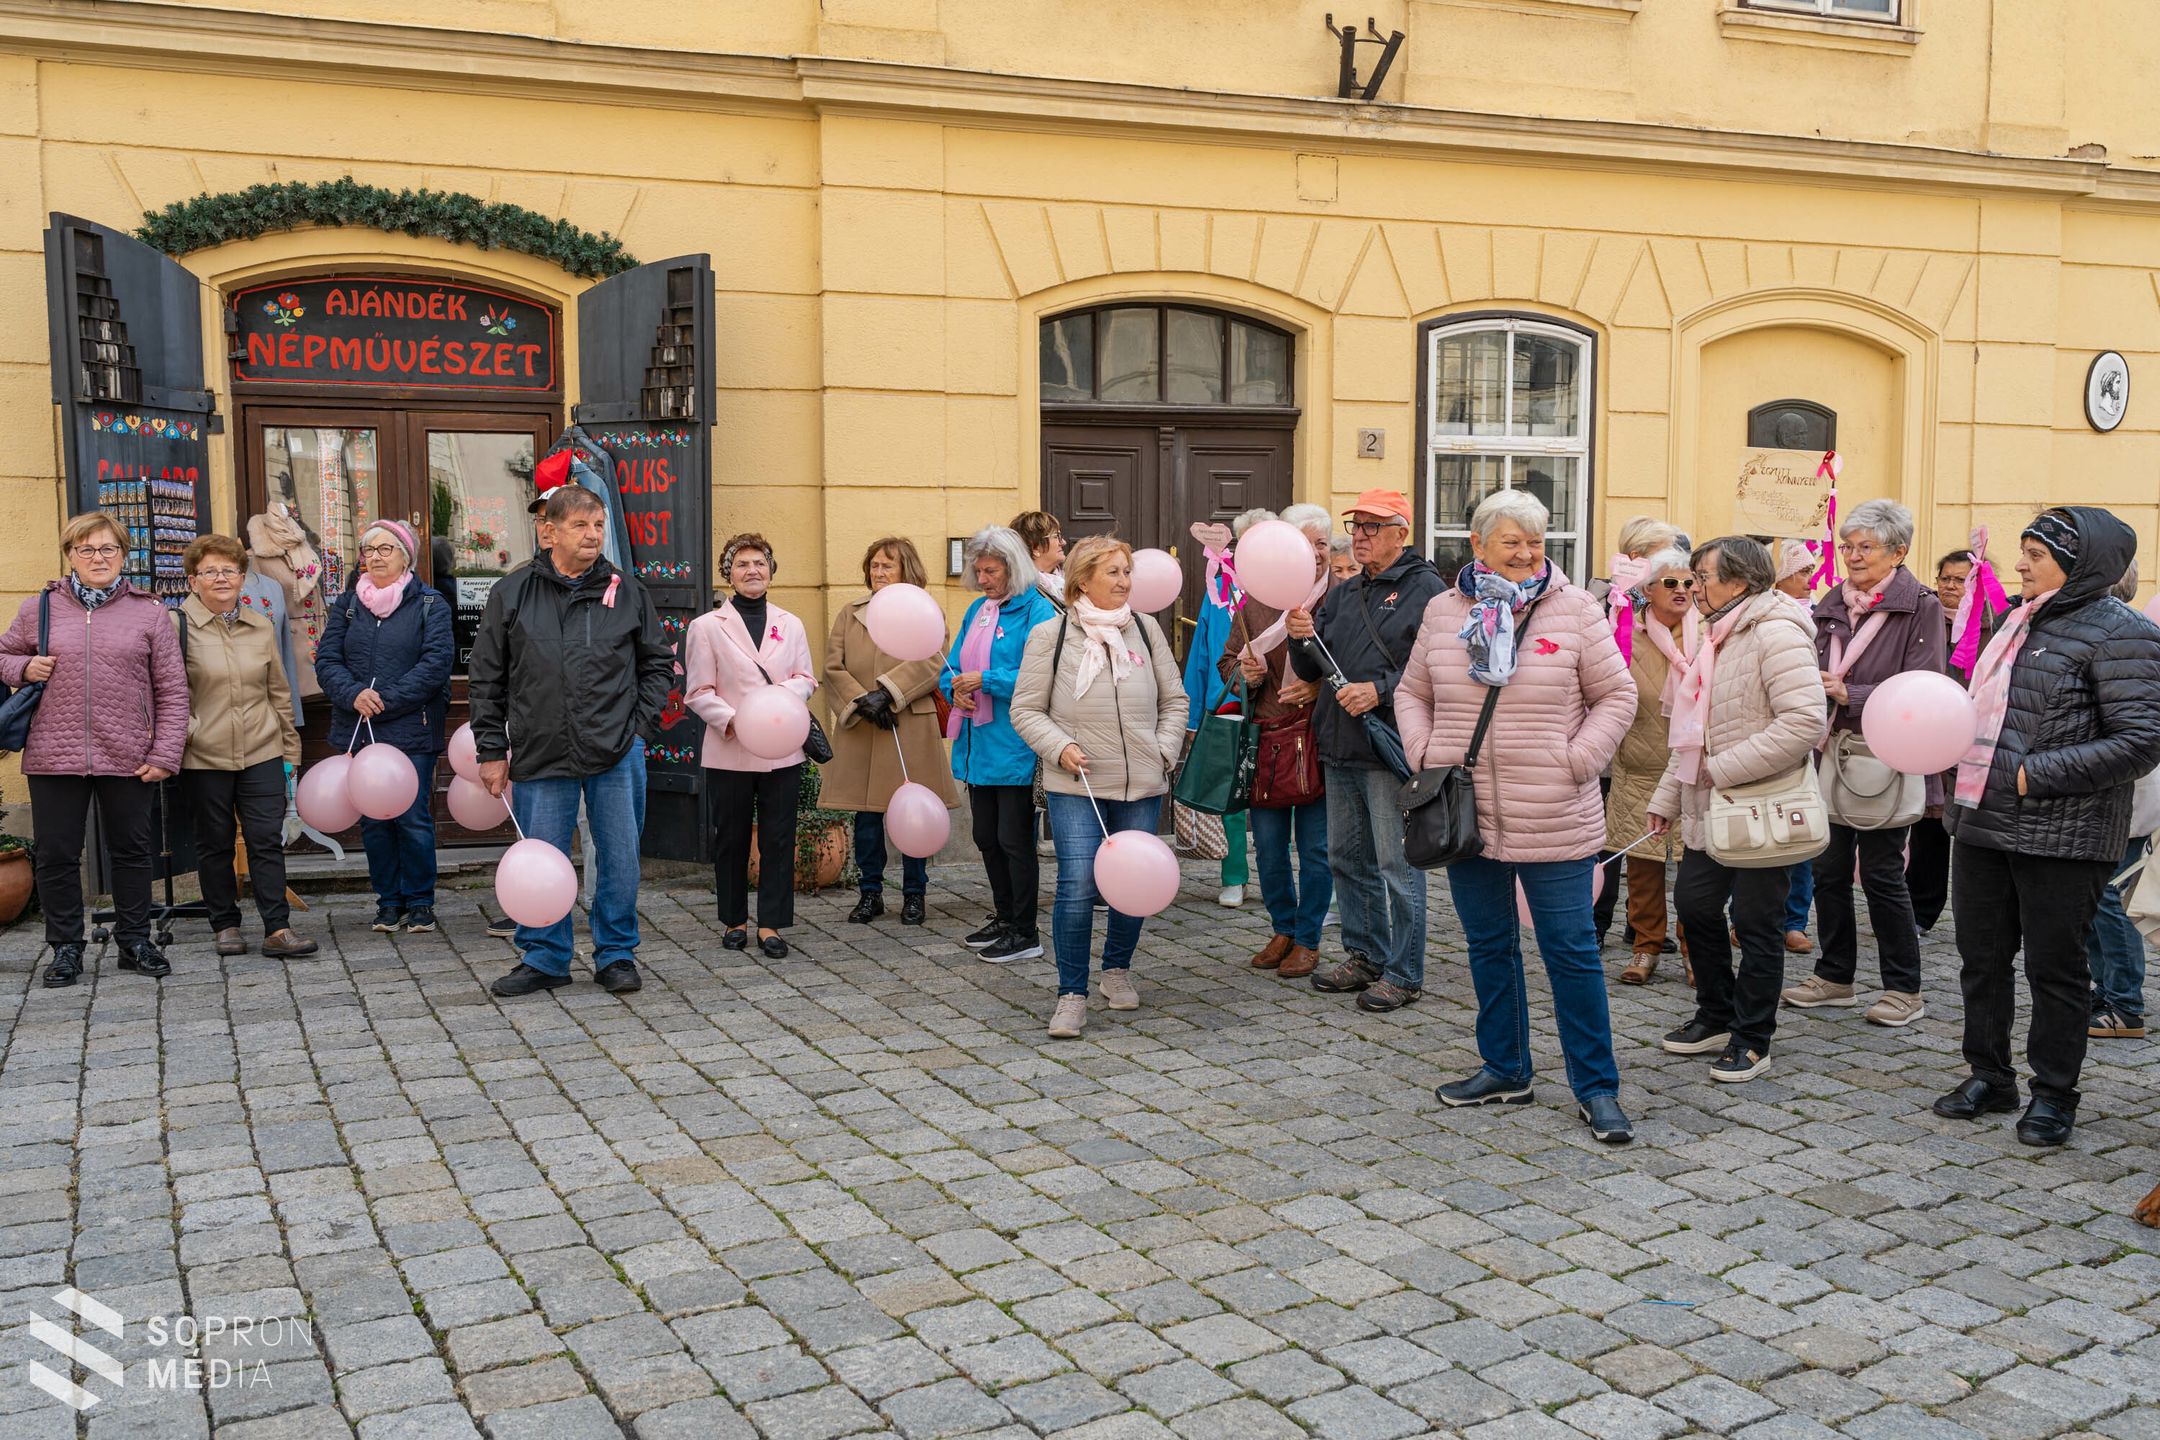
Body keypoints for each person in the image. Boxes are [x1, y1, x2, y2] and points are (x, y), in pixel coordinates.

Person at [1397, 490, 1637, 1142]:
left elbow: (1617, 693)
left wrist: (1578, 760)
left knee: (1572, 952)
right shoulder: (1445, 613)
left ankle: (1597, 1087)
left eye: (1536, 542)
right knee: (1489, 947)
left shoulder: (1576, 610)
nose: (1529, 553)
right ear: (1478, 547)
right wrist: (1424, 753)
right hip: (1463, 814)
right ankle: (1506, 1068)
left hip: (1555, 813)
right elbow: (1411, 692)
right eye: (1513, 542)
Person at [1933, 507, 2160, 1147]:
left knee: (2055, 970)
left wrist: (2036, 775)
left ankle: (2054, 1093)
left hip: (2064, 832)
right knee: (1981, 959)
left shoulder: (2125, 633)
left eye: (2037, 552)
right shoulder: (2016, 621)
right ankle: (1990, 1074)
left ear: (2080, 562)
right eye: (2023, 550)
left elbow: (2142, 739)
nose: (2022, 562)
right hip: (1982, 820)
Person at [469, 486, 673, 997]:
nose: (593, 535)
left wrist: (637, 730)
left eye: (598, 525)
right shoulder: (511, 593)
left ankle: (617, 954)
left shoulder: (627, 591)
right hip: (541, 750)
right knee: (542, 858)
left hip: (615, 751)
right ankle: (545, 956)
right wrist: (492, 751)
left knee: (620, 856)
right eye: (581, 525)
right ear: (549, 531)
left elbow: (658, 664)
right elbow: (487, 678)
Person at [1647, 537, 1827, 1084]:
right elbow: (1693, 733)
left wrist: (1722, 770)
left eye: (1701, 577)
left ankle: (1754, 1036)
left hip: (1761, 807)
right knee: (1696, 907)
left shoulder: (1775, 633)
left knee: (1756, 923)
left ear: (1741, 583)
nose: (1692, 588)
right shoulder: (1712, 634)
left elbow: (1803, 724)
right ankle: (1717, 1014)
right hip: (1709, 805)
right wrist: (1666, 799)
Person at [0, 513, 188, 986]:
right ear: (70, 556)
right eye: (86, 550)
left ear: (124, 555)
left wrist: (165, 753)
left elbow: (172, 688)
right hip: (53, 751)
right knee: (57, 853)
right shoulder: (38, 608)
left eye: (108, 549)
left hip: (128, 750)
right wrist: (24, 668)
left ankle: (134, 941)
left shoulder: (149, 612)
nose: (98, 558)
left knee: (131, 850)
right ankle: (65, 947)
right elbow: (2, 656)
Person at [1011, 536, 1186, 1039]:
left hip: (1141, 784)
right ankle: (1071, 994)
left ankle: (1116, 970)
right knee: (1078, 886)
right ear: (1082, 579)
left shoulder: (1147, 630)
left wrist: (1164, 750)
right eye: (1113, 572)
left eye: (1127, 571)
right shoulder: (1052, 635)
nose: (1125, 581)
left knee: (1132, 888)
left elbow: (1174, 701)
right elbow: (1025, 709)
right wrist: (1059, 746)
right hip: (1077, 784)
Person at [1782, 500, 1945, 1029]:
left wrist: (1851, 691)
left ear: (1898, 551)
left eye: (1864, 547)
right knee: (1827, 869)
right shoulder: (1833, 600)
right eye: (1846, 546)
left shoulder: (1920, 605)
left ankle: (1904, 987)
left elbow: (1925, 686)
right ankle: (1835, 976)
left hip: (1885, 753)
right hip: (1830, 749)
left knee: (1880, 874)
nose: (1851, 556)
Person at [1286, 489, 1447, 1012]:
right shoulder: (1344, 591)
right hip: (1339, 742)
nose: (1359, 535)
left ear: (1402, 532)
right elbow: (1314, 669)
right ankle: (1364, 955)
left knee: (1396, 867)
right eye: (1356, 526)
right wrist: (1298, 637)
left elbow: (1441, 668)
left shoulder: (1428, 591)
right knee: (1345, 860)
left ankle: (1404, 972)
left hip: (1389, 747)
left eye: (1373, 527)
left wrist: (1379, 690)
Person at [313, 519, 454, 935]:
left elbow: (435, 666)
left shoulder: (431, 604)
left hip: (411, 727)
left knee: (411, 817)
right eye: (369, 550)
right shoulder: (348, 604)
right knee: (373, 820)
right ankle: (389, 902)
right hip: (361, 726)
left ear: (405, 556)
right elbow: (326, 661)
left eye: (385, 549)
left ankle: (421, 901)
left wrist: (385, 700)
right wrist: (354, 694)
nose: (374, 557)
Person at [174, 535, 313, 959]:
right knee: (214, 842)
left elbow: (279, 692)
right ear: (193, 580)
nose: (221, 578)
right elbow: (167, 692)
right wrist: (191, 731)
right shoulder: (175, 625)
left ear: (242, 577)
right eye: (210, 571)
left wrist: (289, 747)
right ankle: (226, 925)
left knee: (265, 840)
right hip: (204, 754)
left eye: (230, 570)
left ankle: (277, 927)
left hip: (262, 749)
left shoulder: (259, 625)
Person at [686, 532, 818, 959]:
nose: (752, 571)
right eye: (741, 564)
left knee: (779, 837)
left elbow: (806, 678)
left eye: (759, 562)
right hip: (731, 748)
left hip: (783, 747)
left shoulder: (791, 623)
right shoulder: (707, 627)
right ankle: (734, 920)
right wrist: (738, 721)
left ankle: (772, 924)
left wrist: (780, 704)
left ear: (771, 570)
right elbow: (699, 691)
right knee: (732, 838)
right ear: (729, 572)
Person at [1220, 503, 1334, 981]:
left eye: (1323, 544)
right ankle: (1282, 928)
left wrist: (1318, 685)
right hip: (1266, 740)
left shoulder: (1341, 599)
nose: (1316, 554)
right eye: (1306, 544)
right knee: (1267, 847)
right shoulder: (1257, 601)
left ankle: (1308, 939)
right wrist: (1246, 674)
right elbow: (1227, 665)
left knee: (1315, 850)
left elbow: (1361, 670)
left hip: (1320, 742)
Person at [821, 537, 956, 928]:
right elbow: (833, 666)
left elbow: (932, 659)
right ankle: (870, 893)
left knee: (914, 814)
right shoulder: (851, 612)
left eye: (887, 566)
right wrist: (864, 701)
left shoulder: (924, 610)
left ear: (905, 570)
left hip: (908, 721)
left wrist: (889, 694)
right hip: (864, 724)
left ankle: (915, 894)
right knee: (867, 818)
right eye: (874, 565)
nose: (878, 573)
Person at [942, 526, 1059, 964]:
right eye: (979, 571)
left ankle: (1026, 931)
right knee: (985, 837)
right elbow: (950, 665)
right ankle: (1005, 915)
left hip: (1015, 746)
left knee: (1014, 839)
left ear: (1014, 568)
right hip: (977, 745)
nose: (983, 579)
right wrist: (953, 688)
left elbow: (1042, 678)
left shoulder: (1039, 613)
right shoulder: (980, 611)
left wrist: (987, 681)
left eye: (991, 571)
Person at [1592, 515, 1690, 952]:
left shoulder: (1684, 615)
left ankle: (1641, 929)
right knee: (1611, 840)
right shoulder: (1605, 600)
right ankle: (1596, 922)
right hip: (1616, 740)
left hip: (1659, 740)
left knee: (1652, 845)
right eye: (1660, 560)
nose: (1673, 576)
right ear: (1637, 560)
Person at [2088, 562, 2158, 1041]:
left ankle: (2126, 1003)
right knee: (2095, 897)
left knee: (2113, 896)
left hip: (2131, 787)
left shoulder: (2134, 639)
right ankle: (2106, 987)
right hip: (2104, 789)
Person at [1904, 547, 1979, 933]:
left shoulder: (1989, 626)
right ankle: (1920, 909)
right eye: (1945, 578)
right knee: (1927, 826)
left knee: (1966, 827)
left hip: (1971, 738)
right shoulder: (1924, 619)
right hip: (1927, 734)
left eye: (1960, 580)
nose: (1950, 586)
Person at [1188, 515, 1256, 909]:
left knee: (1284, 797)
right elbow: (1201, 651)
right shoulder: (1219, 588)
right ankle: (1234, 875)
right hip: (1227, 701)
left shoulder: (1287, 590)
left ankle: (1290, 875)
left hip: (1276, 705)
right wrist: (1195, 715)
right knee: (1231, 794)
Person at [1770, 539, 1821, 953]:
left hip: (1805, 738)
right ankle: (1747, 917)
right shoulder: (1761, 615)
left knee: (1799, 834)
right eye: (1802, 570)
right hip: (1767, 735)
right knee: (1756, 832)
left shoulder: (1820, 615)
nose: (1811, 578)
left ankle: (1795, 920)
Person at [1011, 510, 1067, 610]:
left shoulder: (1068, 579)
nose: (1063, 542)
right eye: (1056, 536)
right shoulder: (1024, 591)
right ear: (1035, 548)